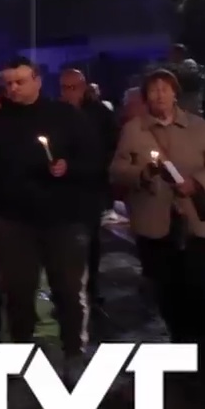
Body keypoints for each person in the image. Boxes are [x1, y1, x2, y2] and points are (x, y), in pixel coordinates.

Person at [0, 58, 107, 365]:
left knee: (68, 290)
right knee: (18, 293)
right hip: (13, 222)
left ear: (37, 80)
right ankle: (22, 355)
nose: (13, 88)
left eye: (19, 81)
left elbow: (95, 161)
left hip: (62, 219)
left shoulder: (66, 116)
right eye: (8, 83)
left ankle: (73, 350)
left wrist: (69, 167)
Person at [112, 69, 205, 343]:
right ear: (145, 97)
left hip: (193, 221)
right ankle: (179, 340)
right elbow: (117, 169)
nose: (160, 94)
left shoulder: (199, 126)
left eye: (165, 89)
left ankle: (200, 344)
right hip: (154, 220)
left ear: (175, 93)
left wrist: (199, 182)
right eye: (154, 90)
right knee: (165, 287)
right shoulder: (133, 130)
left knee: (198, 285)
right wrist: (141, 174)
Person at [60, 66, 122, 314]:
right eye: (64, 88)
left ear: (84, 88)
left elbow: (112, 146)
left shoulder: (99, 114)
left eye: (73, 87)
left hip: (90, 187)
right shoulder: (57, 114)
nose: (68, 93)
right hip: (63, 188)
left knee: (91, 241)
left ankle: (91, 287)